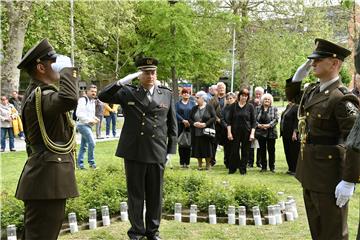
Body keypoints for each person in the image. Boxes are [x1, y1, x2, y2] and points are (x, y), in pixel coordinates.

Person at [286, 38, 360, 240]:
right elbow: (294, 98)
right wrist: (297, 77)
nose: (313, 63)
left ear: (335, 63)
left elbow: (356, 140)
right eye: (312, 59)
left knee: (333, 232)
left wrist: (349, 180)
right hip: (310, 171)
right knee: (317, 231)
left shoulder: (341, 97)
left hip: (330, 176)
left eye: (319, 59)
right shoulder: (312, 90)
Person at [98, 57, 177, 240]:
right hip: (134, 151)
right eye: (145, 72)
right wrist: (122, 81)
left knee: (155, 195)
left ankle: (153, 231)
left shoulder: (165, 93)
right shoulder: (128, 92)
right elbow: (103, 96)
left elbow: (172, 124)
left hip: (157, 151)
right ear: (139, 75)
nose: (150, 76)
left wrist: (171, 150)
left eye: (153, 72)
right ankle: (137, 232)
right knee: (136, 195)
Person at [15, 39, 79, 240]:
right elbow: (70, 98)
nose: (59, 66)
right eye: (55, 63)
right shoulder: (43, 96)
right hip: (47, 180)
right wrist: (69, 70)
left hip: (45, 177)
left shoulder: (37, 93)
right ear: (41, 67)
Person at [226, 88, 256, 175]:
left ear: (248, 97)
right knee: (234, 151)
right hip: (235, 132)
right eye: (242, 95)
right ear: (239, 96)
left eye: (246, 96)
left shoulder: (250, 107)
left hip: (247, 132)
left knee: (245, 151)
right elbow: (229, 121)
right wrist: (229, 132)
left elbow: (253, 122)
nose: (244, 97)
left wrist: (252, 134)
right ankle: (233, 168)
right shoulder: (233, 106)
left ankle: (243, 169)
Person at [189, 90, 216, 170]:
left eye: (197, 98)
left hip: (206, 132)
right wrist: (194, 123)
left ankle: (208, 165)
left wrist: (205, 124)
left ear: (203, 98)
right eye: (195, 98)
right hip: (196, 132)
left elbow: (214, 117)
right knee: (198, 149)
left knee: (207, 149)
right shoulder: (194, 108)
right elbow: (190, 118)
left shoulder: (209, 107)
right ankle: (200, 165)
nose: (195, 99)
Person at [76, 84, 99, 170]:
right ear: (87, 91)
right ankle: (92, 163)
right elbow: (79, 114)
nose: (94, 93)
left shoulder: (93, 101)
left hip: (88, 126)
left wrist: (95, 118)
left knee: (83, 146)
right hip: (82, 125)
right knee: (92, 143)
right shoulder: (83, 100)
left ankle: (80, 164)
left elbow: (90, 114)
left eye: (95, 92)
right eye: (92, 91)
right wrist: (90, 120)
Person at [255, 93, 278, 173]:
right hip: (260, 132)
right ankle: (263, 167)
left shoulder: (274, 108)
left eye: (268, 99)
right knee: (262, 150)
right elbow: (254, 120)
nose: (267, 101)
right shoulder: (258, 108)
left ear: (271, 101)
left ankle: (272, 167)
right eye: (265, 99)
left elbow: (276, 119)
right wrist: (259, 125)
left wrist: (269, 125)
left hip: (271, 132)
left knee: (271, 150)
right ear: (262, 100)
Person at [175, 88, 196, 168]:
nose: (185, 94)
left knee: (188, 144)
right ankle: (181, 162)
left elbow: (194, 113)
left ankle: (187, 163)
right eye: (184, 93)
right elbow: (175, 113)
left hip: (190, 126)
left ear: (190, 94)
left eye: (187, 93)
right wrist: (183, 120)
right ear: (181, 94)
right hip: (180, 125)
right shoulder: (177, 104)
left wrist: (189, 122)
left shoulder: (193, 103)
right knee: (181, 144)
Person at [280, 99, 300, 175]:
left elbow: (297, 120)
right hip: (285, 133)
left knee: (293, 151)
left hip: (292, 134)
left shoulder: (297, 107)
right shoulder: (288, 106)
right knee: (287, 151)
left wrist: (295, 132)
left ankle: (295, 170)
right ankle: (290, 168)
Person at [248, 86, 264, 168]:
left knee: (260, 146)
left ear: (263, 94)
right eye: (256, 94)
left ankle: (259, 162)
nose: (258, 96)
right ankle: (250, 162)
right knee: (251, 145)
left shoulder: (265, 101)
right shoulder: (251, 102)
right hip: (252, 126)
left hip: (261, 127)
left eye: (259, 94)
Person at [221, 92, 236, 168]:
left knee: (234, 147)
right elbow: (222, 119)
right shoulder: (224, 109)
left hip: (235, 130)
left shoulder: (237, 108)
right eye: (228, 99)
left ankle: (234, 162)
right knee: (226, 147)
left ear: (234, 99)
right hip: (225, 130)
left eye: (231, 98)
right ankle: (227, 162)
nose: (229, 100)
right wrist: (227, 126)